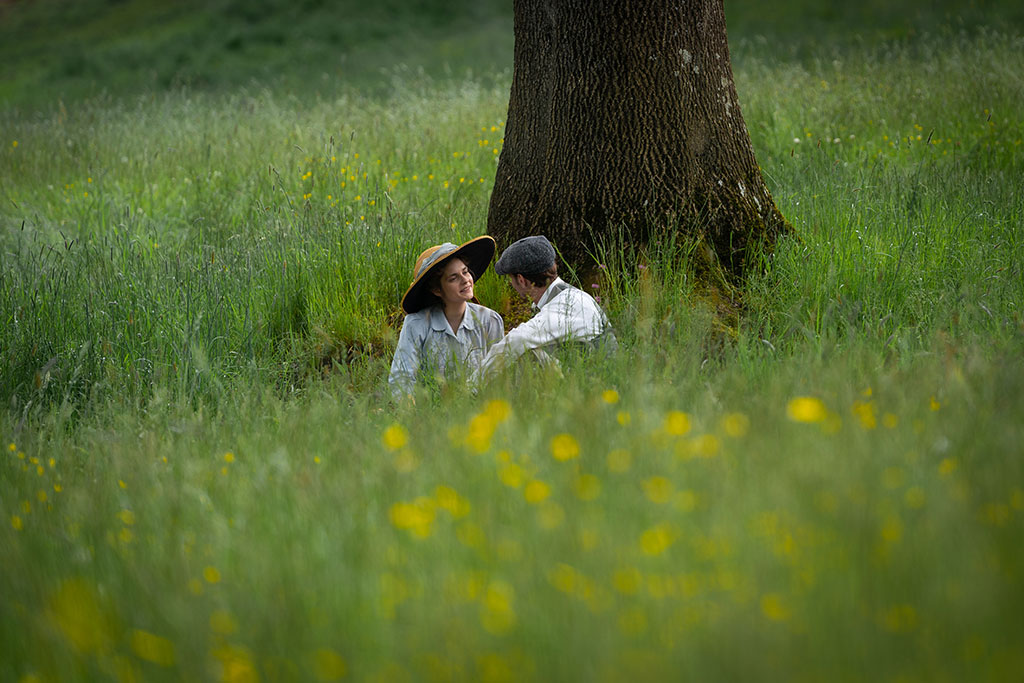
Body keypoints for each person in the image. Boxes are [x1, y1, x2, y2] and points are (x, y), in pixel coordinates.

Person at [472, 235, 616, 383]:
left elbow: (517, 340)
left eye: (511, 279)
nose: (511, 284)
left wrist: (471, 387)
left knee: (528, 355)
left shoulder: (566, 305)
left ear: (521, 280)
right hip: (588, 380)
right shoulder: (569, 296)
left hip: (599, 388)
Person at [388, 236, 504, 398]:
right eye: (453, 278)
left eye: (465, 272)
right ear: (437, 289)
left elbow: (499, 373)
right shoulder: (416, 324)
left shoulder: (490, 320)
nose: (465, 280)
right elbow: (402, 378)